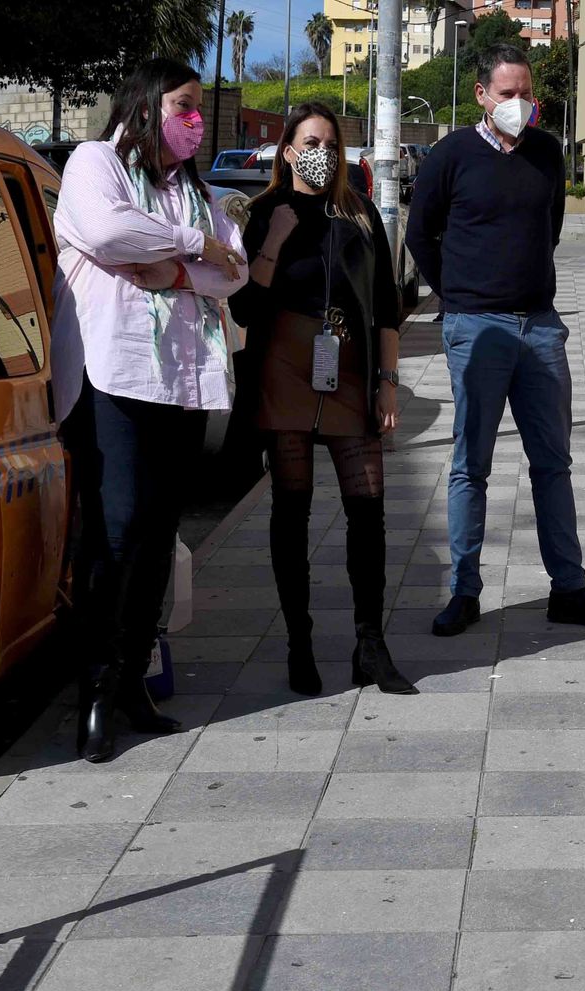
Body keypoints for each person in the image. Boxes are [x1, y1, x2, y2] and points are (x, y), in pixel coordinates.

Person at [51, 58, 248, 763]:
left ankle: (133, 680)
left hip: (185, 384)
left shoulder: (196, 191)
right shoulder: (93, 163)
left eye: (199, 109)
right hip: (114, 378)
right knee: (115, 530)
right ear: (145, 105)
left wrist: (168, 270)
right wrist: (197, 251)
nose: (195, 120)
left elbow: (241, 269)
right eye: (185, 106)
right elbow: (107, 235)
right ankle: (97, 694)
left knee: (158, 534)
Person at [406, 44, 585, 637]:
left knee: (553, 462)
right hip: (475, 328)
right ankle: (463, 591)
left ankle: (570, 589)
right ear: (481, 95)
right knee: (469, 465)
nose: (520, 104)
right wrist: (456, 294)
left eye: (526, 93)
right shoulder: (451, 155)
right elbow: (419, 233)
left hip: (540, 326)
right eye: (508, 94)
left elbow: (549, 227)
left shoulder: (547, 152)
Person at [228, 102, 418, 697]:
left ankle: (370, 644)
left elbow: (386, 306)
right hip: (285, 366)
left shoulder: (360, 215)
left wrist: (388, 381)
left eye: (332, 142)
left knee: (368, 506)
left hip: (350, 370)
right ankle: (299, 643)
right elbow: (241, 308)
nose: (322, 151)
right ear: (287, 151)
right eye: (310, 141)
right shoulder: (263, 213)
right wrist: (276, 241)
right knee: (293, 509)